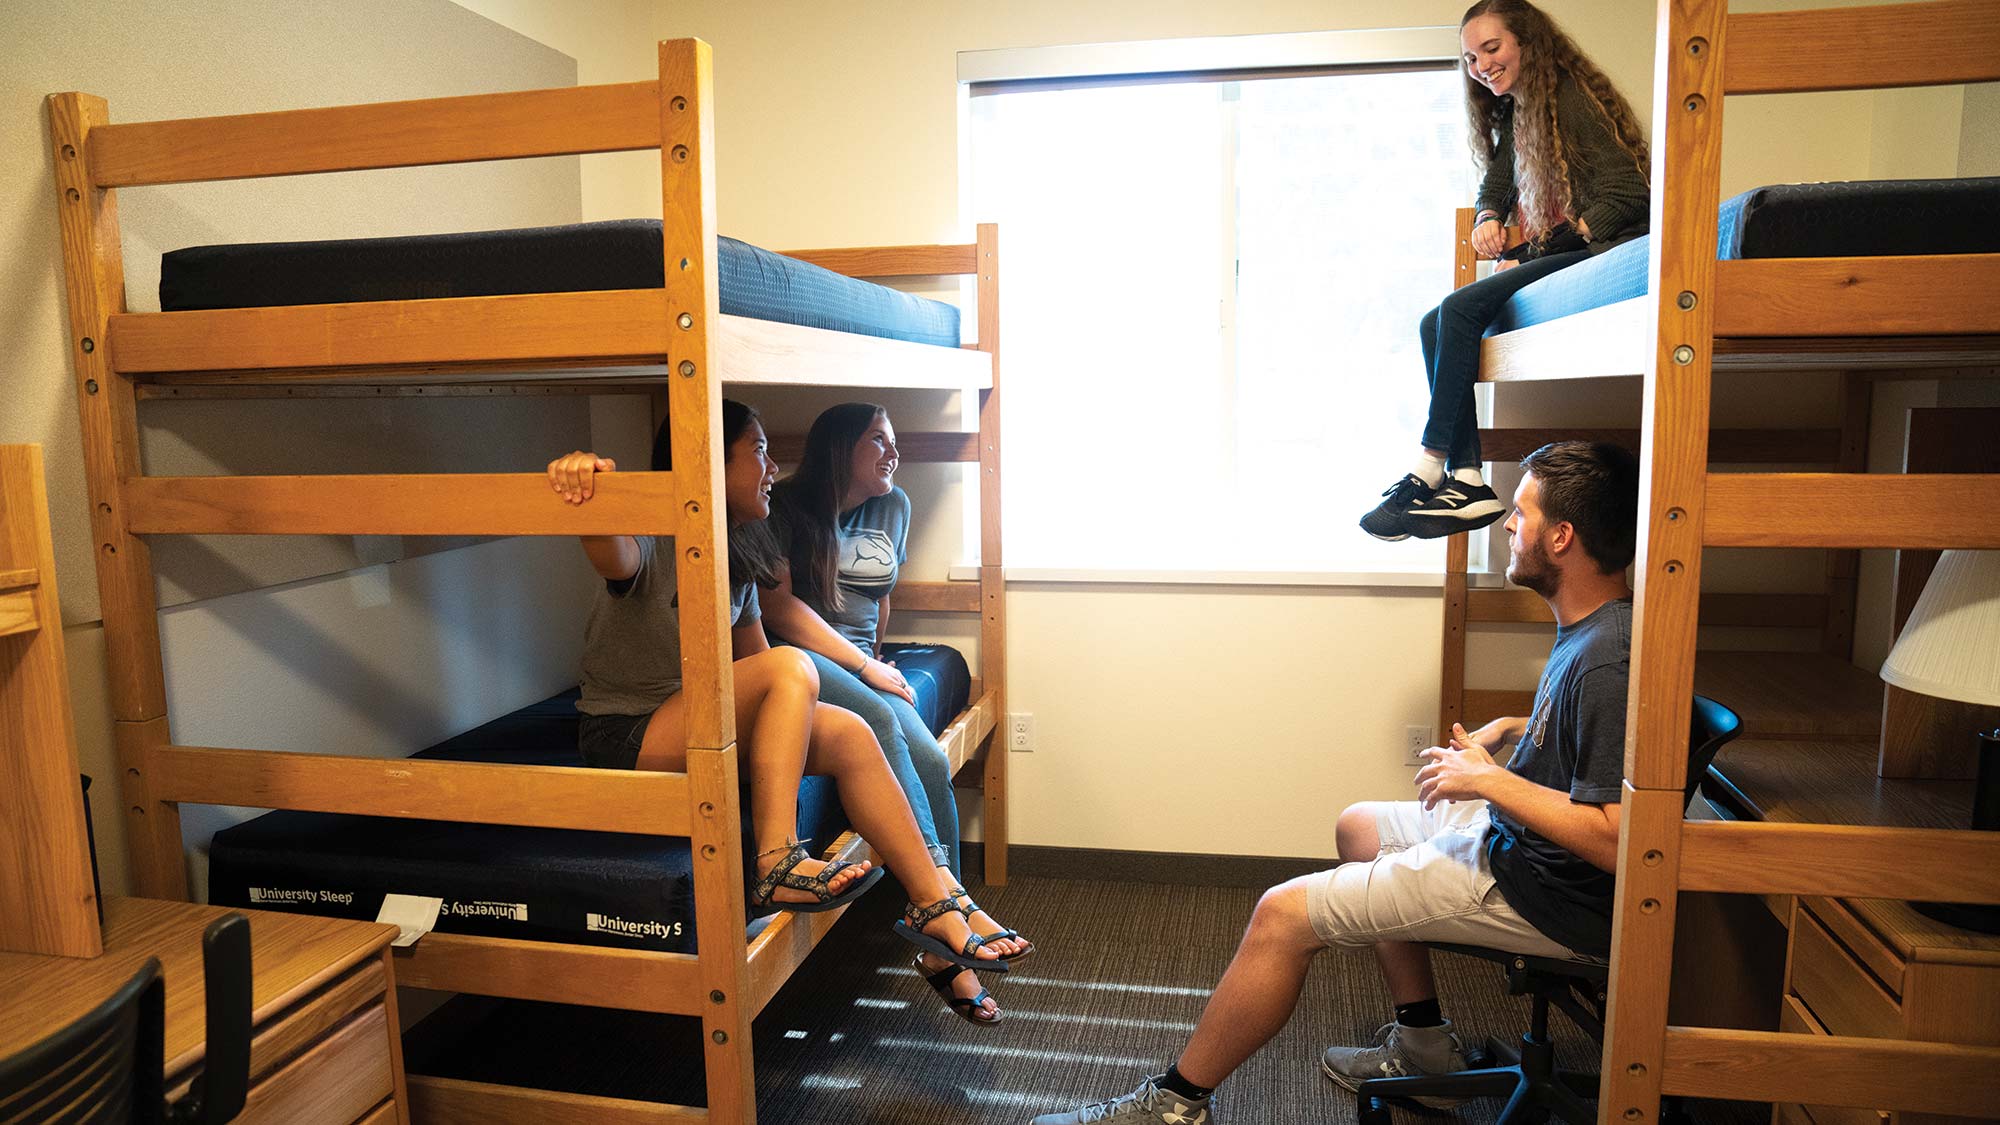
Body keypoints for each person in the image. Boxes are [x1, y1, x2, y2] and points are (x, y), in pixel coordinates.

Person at [1031, 440, 1639, 1124]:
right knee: (1360, 825)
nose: (1506, 524)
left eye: (1520, 513)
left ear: (1562, 536)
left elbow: (1620, 841)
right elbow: (1603, 743)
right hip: (1520, 844)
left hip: (1541, 891)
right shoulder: (1598, 631)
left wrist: (1491, 782)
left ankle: (1174, 1104)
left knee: (1281, 915)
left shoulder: (1605, 661)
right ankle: (1424, 1048)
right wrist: (1518, 725)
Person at [546, 399, 1011, 975]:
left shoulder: (736, 548)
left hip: (695, 716)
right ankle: (776, 861)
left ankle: (932, 906)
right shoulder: (651, 534)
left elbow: (758, 670)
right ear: (710, 462)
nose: (772, 469)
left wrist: (810, 707)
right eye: (760, 452)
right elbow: (609, 552)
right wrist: (589, 489)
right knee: (796, 666)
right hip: (629, 728)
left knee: (853, 733)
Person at [760, 402, 1031, 1027]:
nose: (893, 452)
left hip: (862, 658)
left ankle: (946, 920)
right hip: (806, 655)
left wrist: (879, 656)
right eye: (878, 440)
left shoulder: (894, 506)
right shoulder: (787, 509)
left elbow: (880, 600)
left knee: (932, 759)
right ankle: (943, 916)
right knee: (882, 727)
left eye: (894, 441)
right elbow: (779, 611)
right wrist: (864, 670)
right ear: (840, 448)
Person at [1361, 0, 1649, 543]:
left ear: (1528, 44)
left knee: (1457, 307)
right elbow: (1498, 179)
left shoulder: (1567, 95)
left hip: (1607, 247)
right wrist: (1489, 217)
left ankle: (1432, 464)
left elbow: (1632, 192)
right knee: (1433, 324)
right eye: (1471, 57)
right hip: (1565, 247)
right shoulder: (1524, 110)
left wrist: (1557, 240)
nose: (1481, 65)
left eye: (1491, 49)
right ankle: (1468, 477)